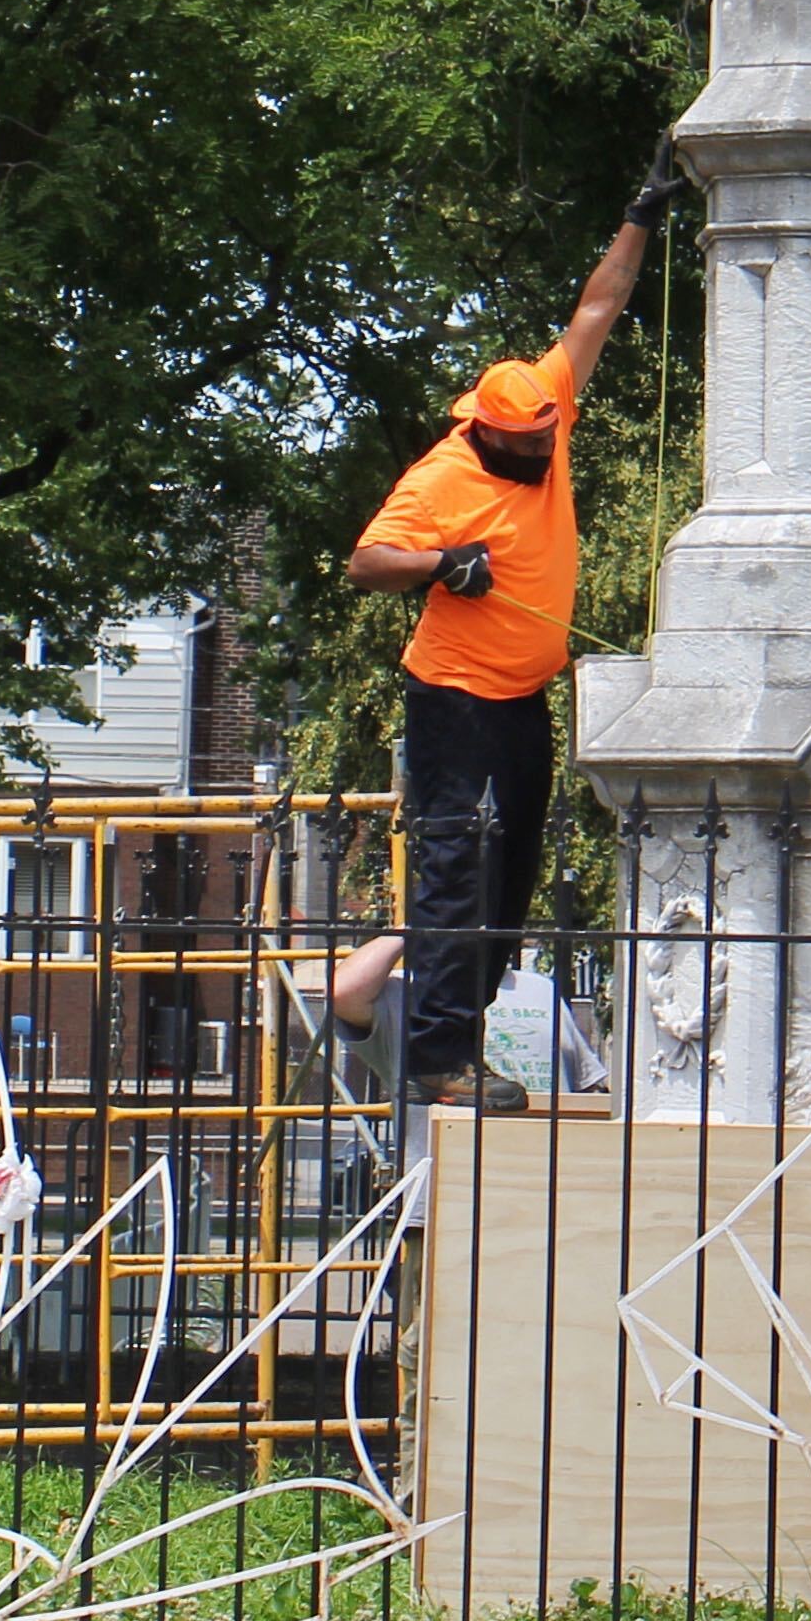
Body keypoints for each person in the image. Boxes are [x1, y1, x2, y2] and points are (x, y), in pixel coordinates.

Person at [326, 152, 689, 1108]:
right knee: (456, 867)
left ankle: (466, 1043)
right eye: (525, 446)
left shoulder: (545, 405)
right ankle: (439, 1063)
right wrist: (442, 564)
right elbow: (367, 563)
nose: (542, 453)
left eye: (547, 440)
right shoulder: (441, 481)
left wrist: (641, 213)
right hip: (453, 702)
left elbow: (597, 310)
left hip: (522, 697)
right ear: (485, 431)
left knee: (512, 874)